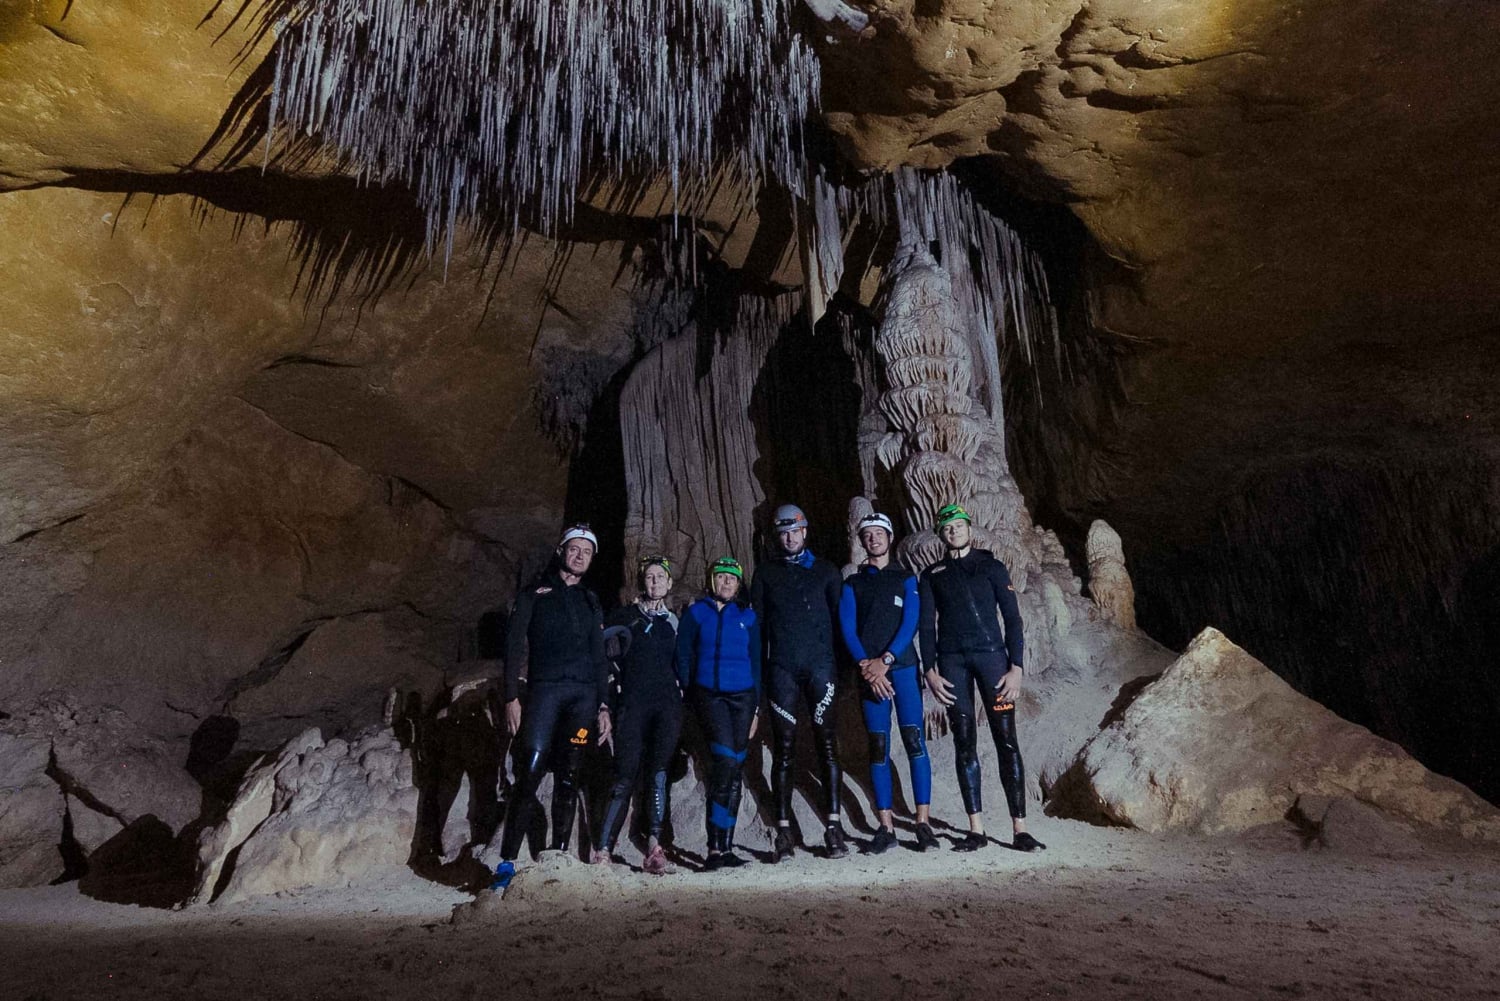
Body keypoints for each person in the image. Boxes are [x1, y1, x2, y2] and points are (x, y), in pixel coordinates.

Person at [918, 504, 1046, 853]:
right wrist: (929, 670)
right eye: (947, 528)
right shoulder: (931, 575)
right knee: (964, 743)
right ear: (941, 534)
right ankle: (976, 830)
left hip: (992, 660)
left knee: (1007, 741)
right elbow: (926, 626)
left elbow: (1013, 619)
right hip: (952, 663)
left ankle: (1020, 829)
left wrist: (1016, 667)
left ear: (969, 529)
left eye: (959, 525)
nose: (954, 531)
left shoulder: (991, 566)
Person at [492, 524, 613, 889]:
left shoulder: (590, 600)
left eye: (587, 552)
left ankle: (557, 856)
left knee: (570, 775)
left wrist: (604, 706)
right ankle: (507, 862)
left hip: (583, 699)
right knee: (529, 772)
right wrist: (510, 697)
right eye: (574, 549)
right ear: (561, 551)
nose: (580, 556)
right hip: (545, 693)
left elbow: (599, 657)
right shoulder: (534, 594)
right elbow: (513, 647)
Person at [749, 504, 849, 860]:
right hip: (782, 671)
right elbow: (758, 631)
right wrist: (760, 681)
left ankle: (834, 827)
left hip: (821, 667)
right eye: (783, 534)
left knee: (827, 745)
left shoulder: (826, 572)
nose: (789, 538)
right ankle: (783, 831)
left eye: (794, 531)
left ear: (805, 531)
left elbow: (840, 625)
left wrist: (843, 673)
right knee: (784, 748)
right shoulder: (765, 574)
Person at [839, 512, 938, 853]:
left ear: (890, 537)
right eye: (867, 535)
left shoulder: (906, 578)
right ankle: (886, 827)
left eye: (879, 533)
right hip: (870, 674)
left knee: (914, 741)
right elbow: (847, 628)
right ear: (862, 541)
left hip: (902, 668)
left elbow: (910, 622)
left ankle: (922, 823)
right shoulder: (852, 583)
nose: (874, 539)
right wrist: (866, 666)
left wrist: (886, 661)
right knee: (878, 745)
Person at [591, 556, 683, 875]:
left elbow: (683, 664)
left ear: (669, 582)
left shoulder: (674, 622)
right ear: (642, 582)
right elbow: (602, 656)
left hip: (667, 706)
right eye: (649, 576)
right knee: (625, 775)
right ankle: (603, 849)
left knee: (658, 773)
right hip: (632, 704)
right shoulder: (625, 616)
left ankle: (654, 848)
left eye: (660, 576)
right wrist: (605, 702)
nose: (655, 581)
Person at [676, 557, 762, 871]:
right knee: (725, 763)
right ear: (712, 580)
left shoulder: (747, 616)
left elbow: (756, 661)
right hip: (710, 696)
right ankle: (714, 847)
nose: (726, 582)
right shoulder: (697, 613)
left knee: (735, 768)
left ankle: (726, 847)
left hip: (743, 698)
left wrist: (756, 708)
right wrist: (691, 691)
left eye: (732, 578)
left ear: (739, 585)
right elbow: (683, 653)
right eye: (721, 577)